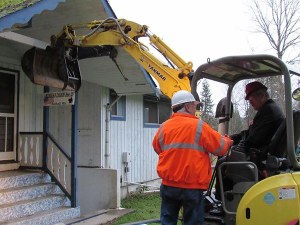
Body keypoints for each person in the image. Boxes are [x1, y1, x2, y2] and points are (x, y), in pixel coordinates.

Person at [152, 90, 233, 225]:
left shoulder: (163, 127)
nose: (196, 108)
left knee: (167, 221)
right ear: (188, 106)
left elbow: (157, 148)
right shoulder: (200, 126)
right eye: (195, 106)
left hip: (169, 186)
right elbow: (220, 149)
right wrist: (228, 140)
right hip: (192, 188)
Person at [214, 81, 285, 202]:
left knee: (222, 163)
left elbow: (253, 139)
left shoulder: (268, 112)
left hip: (260, 159)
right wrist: (231, 138)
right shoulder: (271, 109)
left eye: (251, 101)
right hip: (266, 155)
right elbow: (250, 133)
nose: (251, 105)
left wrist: (232, 146)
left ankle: (221, 202)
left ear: (261, 96)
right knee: (227, 161)